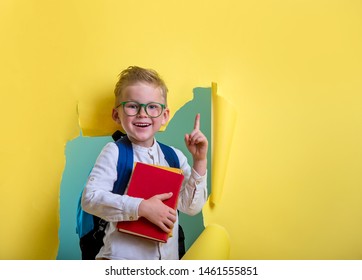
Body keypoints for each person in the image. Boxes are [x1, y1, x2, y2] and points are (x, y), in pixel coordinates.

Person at [81, 66, 208, 260]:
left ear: (164, 116)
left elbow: (191, 207)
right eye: (132, 106)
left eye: (152, 106)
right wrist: (141, 207)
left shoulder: (173, 156)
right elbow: (90, 199)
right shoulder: (115, 152)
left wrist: (199, 160)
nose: (143, 113)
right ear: (117, 115)